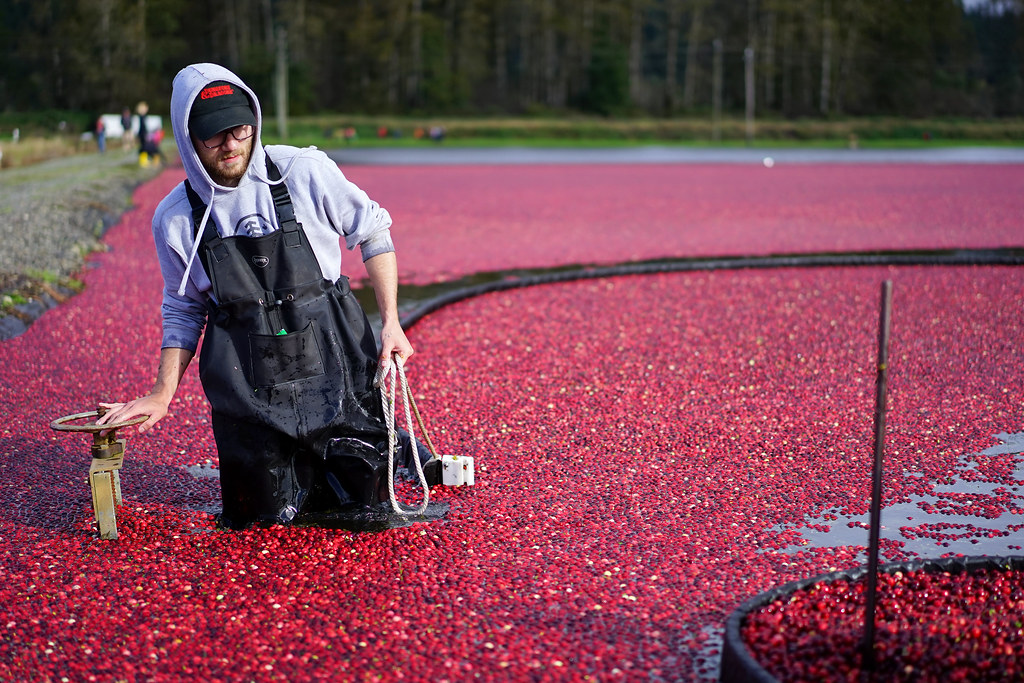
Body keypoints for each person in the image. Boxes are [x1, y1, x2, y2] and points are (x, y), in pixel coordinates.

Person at [100, 63, 434, 529]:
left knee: (366, 509)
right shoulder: (174, 219)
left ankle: (398, 450)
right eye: (213, 135)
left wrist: (392, 322)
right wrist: (162, 393)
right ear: (187, 138)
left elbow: (374, 231)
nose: (231, 144)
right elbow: (184, 306)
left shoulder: (304, 172)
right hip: (249, 394)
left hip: (338, 369)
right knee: (258, 520)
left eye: (239, 128)